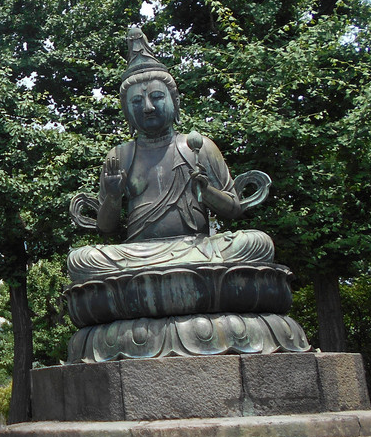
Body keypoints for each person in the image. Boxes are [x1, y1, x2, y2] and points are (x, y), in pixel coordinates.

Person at [67, 27, 273, 283]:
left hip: (197, 248)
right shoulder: (120, 155)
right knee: (82, 259)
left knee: (255, 243)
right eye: (136, 102)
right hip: (138, 254)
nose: (148, 107)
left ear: (174, 102)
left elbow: (233, 209)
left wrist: (206, 191)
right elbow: (106, 228)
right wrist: (112, 195)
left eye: (156, 97)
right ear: (127, 112)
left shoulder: (198, 146)